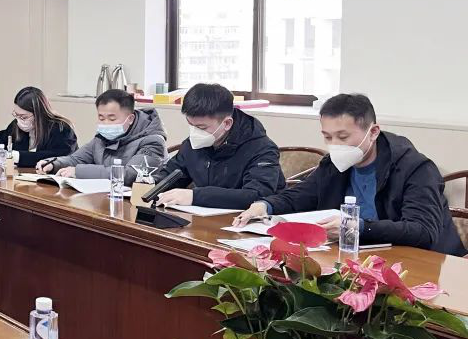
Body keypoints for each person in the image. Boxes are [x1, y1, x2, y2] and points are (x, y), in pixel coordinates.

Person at [234, 93, 465, 256]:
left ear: (373, 132)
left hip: (420, 263)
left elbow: (423, 232)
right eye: (327, 137)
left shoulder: (416, 169)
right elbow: (301, 195)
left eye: (343, 137)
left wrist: (357, 226)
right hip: (356, 258)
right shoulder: (334, 165)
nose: (335, 145)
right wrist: (265, 205)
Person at [152, 83, 285, 209]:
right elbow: (172, 175)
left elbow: (256, 195)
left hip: (251, 220)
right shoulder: (195, 143)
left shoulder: (262, 149)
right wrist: (151, 184)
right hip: (204, 218)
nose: (195, 132)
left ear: (227, 123)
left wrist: (195, 196)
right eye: (190, 125)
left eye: (201, 127)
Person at [37, 89, 167, 184]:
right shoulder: (102, 137)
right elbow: (76, 159)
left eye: (112, 118)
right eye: (101, 118)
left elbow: (130, 175)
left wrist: (79, 171)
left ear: (130, 119)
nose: (105, 124)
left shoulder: (153, 142)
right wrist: (53, 164)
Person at [0, 86, 78, 167]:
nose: (19, 120)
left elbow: (57, 158)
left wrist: (17, 156)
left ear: (39, 114)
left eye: (24, 117)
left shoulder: (62, 129)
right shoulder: (16, 125)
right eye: (16, 115)